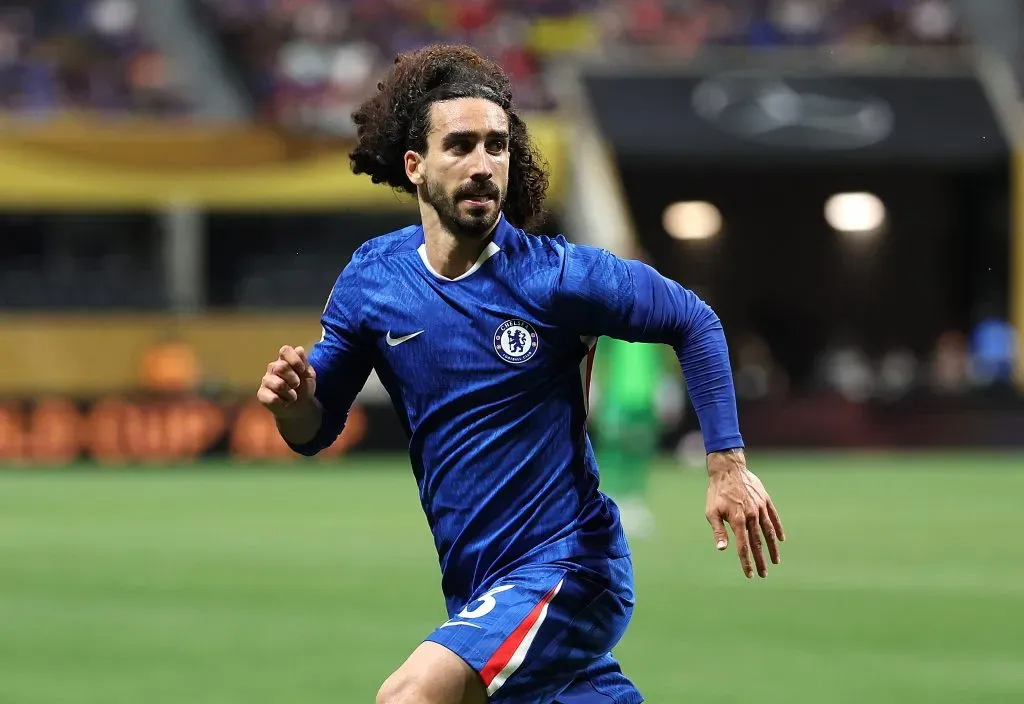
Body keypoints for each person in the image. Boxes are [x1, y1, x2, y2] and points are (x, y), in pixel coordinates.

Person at [257, 44, 785, 704]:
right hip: (479, 585)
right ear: (415, 166)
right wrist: (292, 405)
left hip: (568, 567)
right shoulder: (374, 280)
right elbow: (313, 428)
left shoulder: (556, 277)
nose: (483, 165)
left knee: (410, 697)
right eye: (461, 146)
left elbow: (693, 320)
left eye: (497, 146)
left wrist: (726, 466)